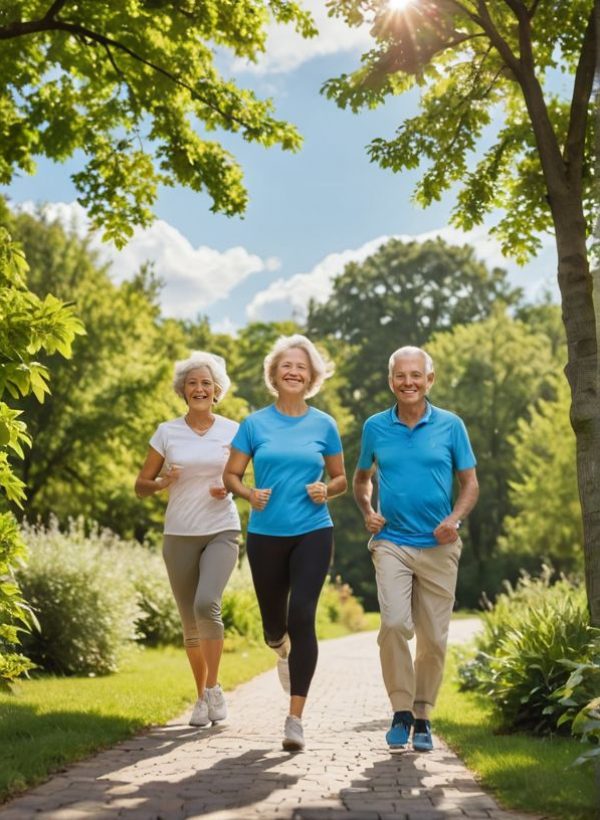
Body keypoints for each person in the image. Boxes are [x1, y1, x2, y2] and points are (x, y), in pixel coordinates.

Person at [223, 334, 347, 752]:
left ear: (311, 376)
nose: (293, 372)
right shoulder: (254, 423)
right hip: (265, 534)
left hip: (313, 529)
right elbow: (231, 475)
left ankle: (295, 719)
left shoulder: (324, 424)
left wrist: (326, 491)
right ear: (274, 375)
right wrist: (248, 494)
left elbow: (341, 478)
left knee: (302, 614)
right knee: (274, 626)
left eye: (301, 367)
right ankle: (280, 648)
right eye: (286, 366)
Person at [353, 345, 478, 753]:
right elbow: (361, 479)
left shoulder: (451, 425)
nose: (408, 382)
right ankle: (401, 710)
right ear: (391, 381)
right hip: (392, 541)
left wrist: (453, 520)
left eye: (415, 375)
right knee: (392, 623)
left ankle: (422, 716)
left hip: (440, 547)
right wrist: (368, 510)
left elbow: (470, 484)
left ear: (430, 380)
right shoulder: (375, 426)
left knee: (434, 639)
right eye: (400, 376)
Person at [135, 351, 240, 727]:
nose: (199, 388)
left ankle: (213, 688)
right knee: (189, 623)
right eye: (192, 383)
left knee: (206, 603)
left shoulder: (233, 430)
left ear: (217, 391)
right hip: (179, 533)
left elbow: (243, 479)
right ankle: (201, 699)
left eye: (206, 383)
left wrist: (229, 489)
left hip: (221, 529)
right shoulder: (167, 432)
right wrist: (164, 481)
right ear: (183, 391)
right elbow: (140, 486)